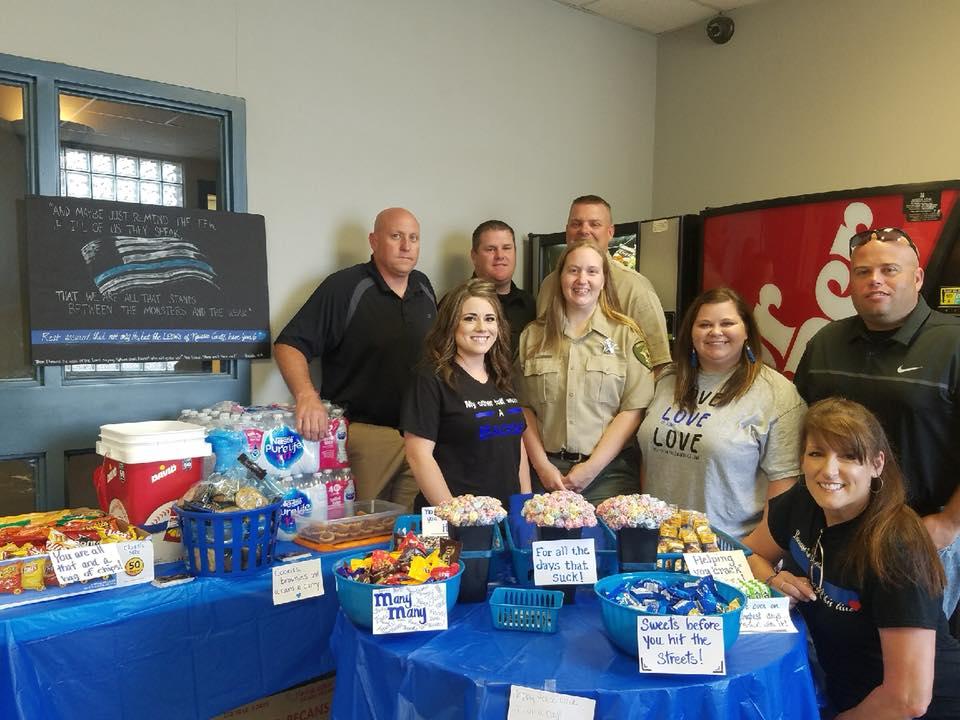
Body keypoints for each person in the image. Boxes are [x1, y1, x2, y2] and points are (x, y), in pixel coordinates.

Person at [743, 398, 960, 719]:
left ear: (877, 464)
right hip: (843, 690)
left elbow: (909, 699)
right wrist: (773, 579)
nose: (828, 470)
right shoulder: (803, 501)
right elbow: (748, 552)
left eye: (849, 456)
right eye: (816, 453)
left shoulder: (897, 548)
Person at [794, 227, 960, 618]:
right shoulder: (825, 342)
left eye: (890, 270)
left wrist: (950, 523)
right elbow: (802, 432)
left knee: (914, 664)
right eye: (863, 272)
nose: (876, 281)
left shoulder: (952, 344)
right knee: (835, 649)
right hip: (836, 531)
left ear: (917, 277)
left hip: (921, 533)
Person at [273, 207, 435, 510]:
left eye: (413, 238)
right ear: (373, 241)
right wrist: (306, 395)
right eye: (396, 236)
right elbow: (289, 343)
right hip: (365, 437)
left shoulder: (423, 286)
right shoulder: (345, 287)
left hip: (420, 436)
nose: (406, 246)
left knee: (411, 531)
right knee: (362, 529)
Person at [637, 287, 806, 537]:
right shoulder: (667, 380)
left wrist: (754, 555)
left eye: (727, 323)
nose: (715, 332)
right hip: (658, 541)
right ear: (691, 333)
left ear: (747, 330)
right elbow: (648, 461)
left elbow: (784, 491)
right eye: (704, 324)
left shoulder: (777, 393)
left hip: (727, 549)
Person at [516, 240, 654, 506]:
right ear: (560, 278)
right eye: (573, 270)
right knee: (544, 545)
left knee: (606, 547)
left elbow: (633, 410)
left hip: (608, 475)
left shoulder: (626, 335)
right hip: (546, 473)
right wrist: (543, 466)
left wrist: (591, 468)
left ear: (604, 279)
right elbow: (523, 408)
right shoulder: (532, 336)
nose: (582, 279)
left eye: (592, 271)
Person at [401, 279, 530, 510]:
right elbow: (418, 457)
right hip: (456, 520)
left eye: (490, 319)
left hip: (505, 517)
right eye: (470, 318)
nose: (482, 327)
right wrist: (457, 516)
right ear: (451, 324)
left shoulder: (501, 375)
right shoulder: (430, 378)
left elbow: (516, 442)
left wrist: (525, 505)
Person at [536, 195, 671, 371]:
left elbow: (658, 363)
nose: (584, 231)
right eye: (576, 224)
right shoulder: (548, 285)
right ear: (567, 230)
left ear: (610, 232)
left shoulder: (635, 288)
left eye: (595, 224)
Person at [470, 219, 536, 356]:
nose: (500, 256)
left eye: (506, 248)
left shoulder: (531, 305)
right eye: (490, 249)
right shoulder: (457, 303)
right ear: (474, 256)